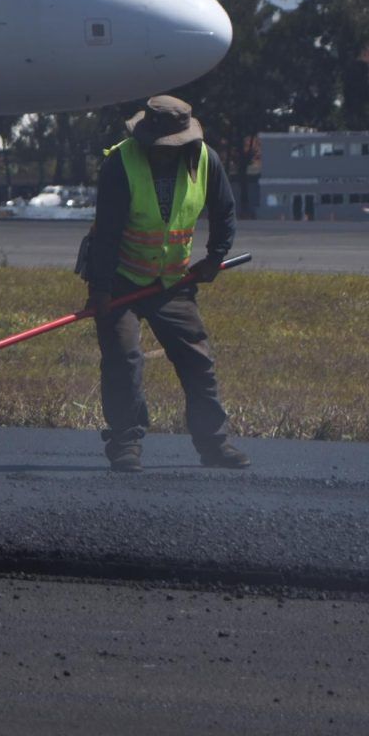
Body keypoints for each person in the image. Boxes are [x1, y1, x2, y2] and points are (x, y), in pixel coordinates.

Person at [81, 95, 248, 473]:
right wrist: (102, 291)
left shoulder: (206, 161)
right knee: (124, 360)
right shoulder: (120, 164)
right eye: (155, 147)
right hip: (120, 278)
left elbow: (224, 212)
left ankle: (215, 445)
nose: (160, 153)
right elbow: (106, 234)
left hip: (172, 280)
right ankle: (125, 443)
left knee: (197, 361)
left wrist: (214, 258)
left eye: (169, 148)